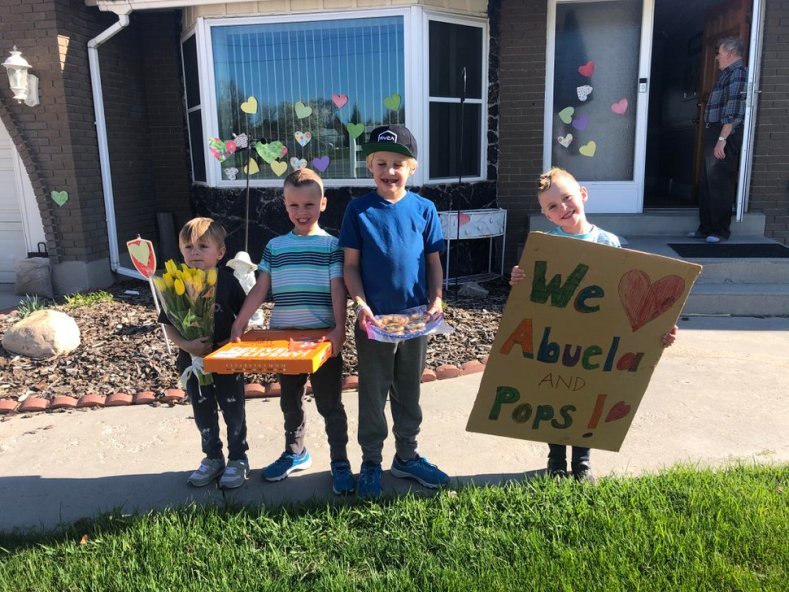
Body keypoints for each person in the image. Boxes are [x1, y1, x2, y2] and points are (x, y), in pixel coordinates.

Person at [511, 168, 677, 483]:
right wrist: (518, 279)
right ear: (546, 216)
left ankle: (583, 461)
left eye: (567, 198)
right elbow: (530, 295)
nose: (563, 208)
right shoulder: (545, 246)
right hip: (557, 339)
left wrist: (659, 329)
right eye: (552, 207)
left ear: (582, 195)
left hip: (597, 342)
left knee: (589, 398)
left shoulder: (610, 243)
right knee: (554, 397)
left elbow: (627, 298)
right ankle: (557, 460)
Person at [230, 168, 354, 495]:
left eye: (309, 205)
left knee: (330, 404)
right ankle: (296, 451)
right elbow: (260, 288)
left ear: (323, 204)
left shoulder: (332, 246)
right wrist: (241, 319)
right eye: (294, 205)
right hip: (284, 341)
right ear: (285, 205)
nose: (302, 212)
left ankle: (340, 460)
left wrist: (340, 328)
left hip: (322, 340)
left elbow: (338, 288)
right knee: (290, 402)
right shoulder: (274, 246)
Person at [338, 124, 447, 498]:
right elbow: (350, 266)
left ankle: (407, 456)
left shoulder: (425, 209)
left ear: (412, 167)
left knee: (409, 390)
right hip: (375, 321)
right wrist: (360, 303)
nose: (390, 171)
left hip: (416, 318)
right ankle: (371, 461)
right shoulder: (358, 210)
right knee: (373, 391)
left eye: (398, 163)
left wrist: (437, 297)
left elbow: (433, 261)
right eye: (381, 163)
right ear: (370, 166)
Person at [160, 217, 250, 489]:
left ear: (220, 253)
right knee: (203, 411)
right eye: (188, 247)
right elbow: (168, 325)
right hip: (192, 361)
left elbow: (243, 316)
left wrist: (235, 339)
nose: (195, 252)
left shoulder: (227, 282)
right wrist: (188, 347)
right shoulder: (177, 282)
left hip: (225, 359)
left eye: (203, 246)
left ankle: (238, 458)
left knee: (233, 407)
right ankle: (213, 457)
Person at [689, 36, 748, 244]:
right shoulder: (726, 74)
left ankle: (720, 231)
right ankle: (705, 228)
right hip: (714, 131)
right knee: (707, 182)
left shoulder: (738, 73)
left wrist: (722, 138)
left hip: (725, 134)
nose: (716, 58)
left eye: (719, 53)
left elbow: (734, 111)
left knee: (720, 183)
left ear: (730, 53)